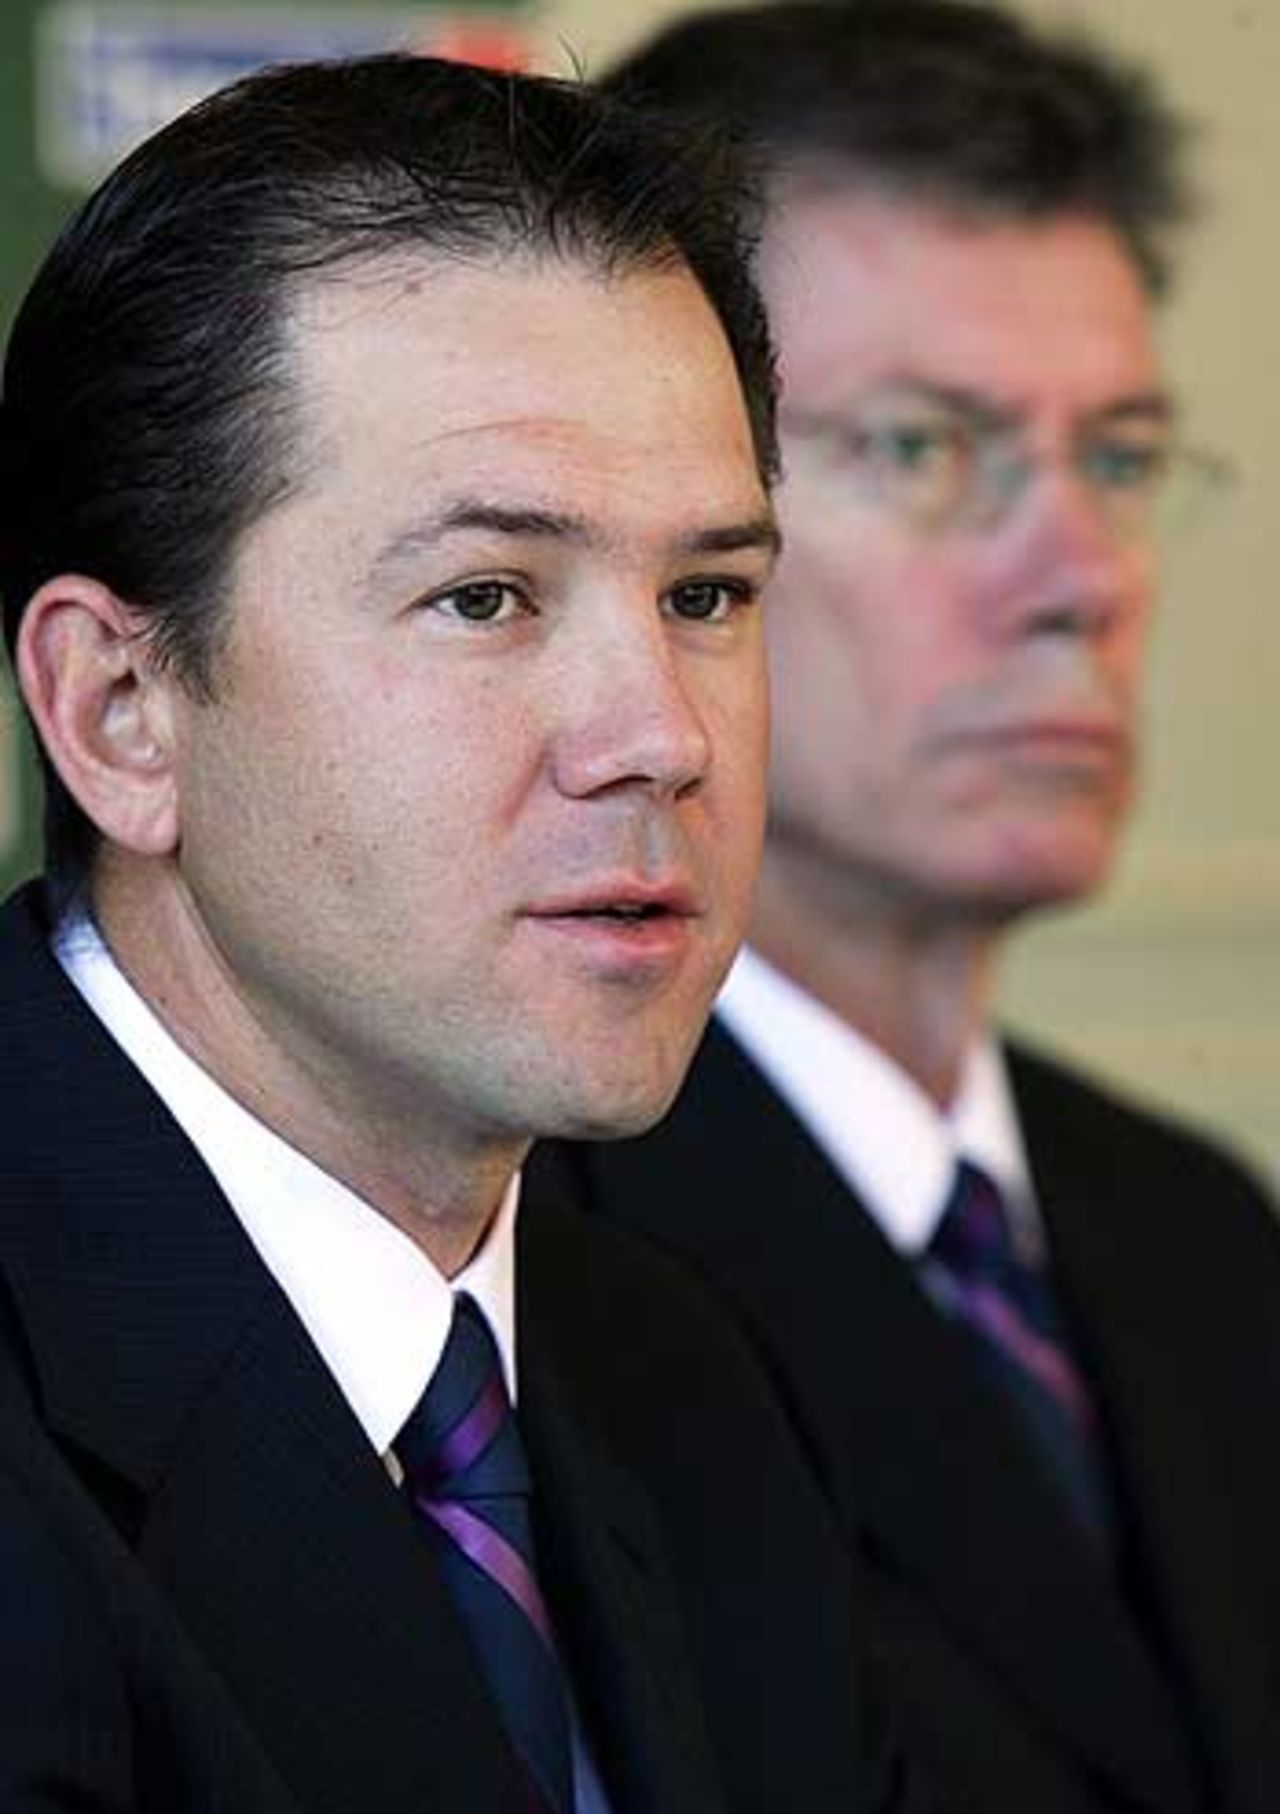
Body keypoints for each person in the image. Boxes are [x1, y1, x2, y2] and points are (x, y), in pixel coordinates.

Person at [0, 52, 900, 1814]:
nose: (662, 734)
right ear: (120, 713)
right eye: (486, 596)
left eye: (706, 594)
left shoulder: (692, 1379)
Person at [535, 6, 1280, 1812]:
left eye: (1119, 457)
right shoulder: (510, 1259)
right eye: (928, 447)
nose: (1080, 578)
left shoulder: (1202, 1231)